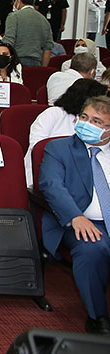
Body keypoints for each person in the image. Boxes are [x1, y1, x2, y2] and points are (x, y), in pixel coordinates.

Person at [38, 95, 110, 335]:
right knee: (93, 248)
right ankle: (98, 316)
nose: (87, 124)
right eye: (84, 118)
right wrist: (75, 216)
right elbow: (52, 186)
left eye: (97, 122)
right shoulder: (59, 148)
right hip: (76, 221)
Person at [27, 79, 108, 186]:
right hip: (47, 171)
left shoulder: (98, 124)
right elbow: (37, 146)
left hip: (84, 177)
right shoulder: (53, 113)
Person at [3, 0, 54, 67]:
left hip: (16, 61)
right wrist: (43, 69)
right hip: (36, 62)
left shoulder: (14, 16)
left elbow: (8, 41)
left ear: (17, 1)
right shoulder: (43, 19)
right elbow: (48, 48)